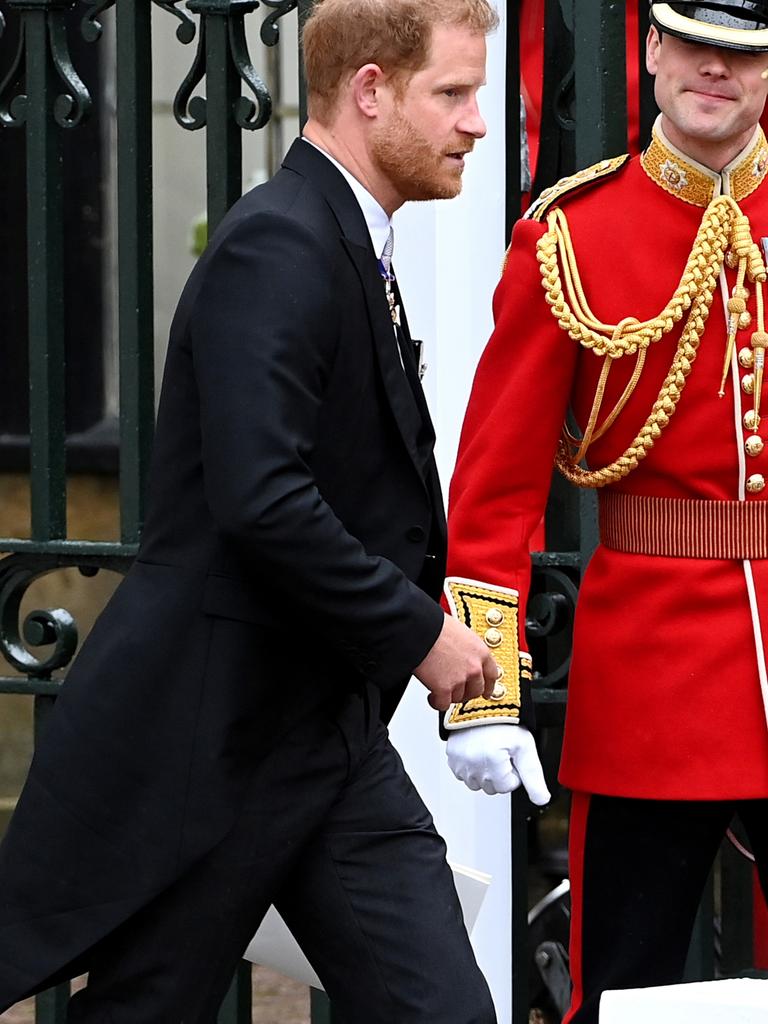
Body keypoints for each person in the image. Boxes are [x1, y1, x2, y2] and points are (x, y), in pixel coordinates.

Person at [0, 1, 502, 1020]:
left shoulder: (350, 238)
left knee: (442, 1008)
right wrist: (420, 633)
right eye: (451, 93)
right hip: (217, 742)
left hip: (325, 737)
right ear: (370, 90)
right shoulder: (278, 243)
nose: (476, 122)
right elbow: (261, 499)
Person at [442, 2, 768, 1022]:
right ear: (655, 52)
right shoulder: (571, 237)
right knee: (628, 985)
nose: (717, 69)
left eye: (746, 52)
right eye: (697, 45)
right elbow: (496, 488)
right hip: (654, 681)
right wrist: (483, 690)